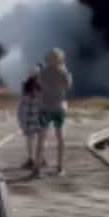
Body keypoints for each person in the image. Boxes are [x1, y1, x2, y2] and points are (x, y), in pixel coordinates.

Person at [37, 48, 72, 177]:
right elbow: (68, 86)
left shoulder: (42, 72)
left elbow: (40, 86)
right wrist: (66, 72)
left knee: (42, 138)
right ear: (60, 59)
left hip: (44, 107)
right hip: (59, 108)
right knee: (60, 137)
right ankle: (60, 168)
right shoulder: (63, 72)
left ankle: (37, 168)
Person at [17, 66, 44, 171]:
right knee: (37, 139)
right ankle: (37, 159)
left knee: (31, 139)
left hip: (31, 116)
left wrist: (20, 116)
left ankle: (33, 159)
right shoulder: (40, 85)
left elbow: (22, 102)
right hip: (34, 116)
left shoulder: (27, 86)